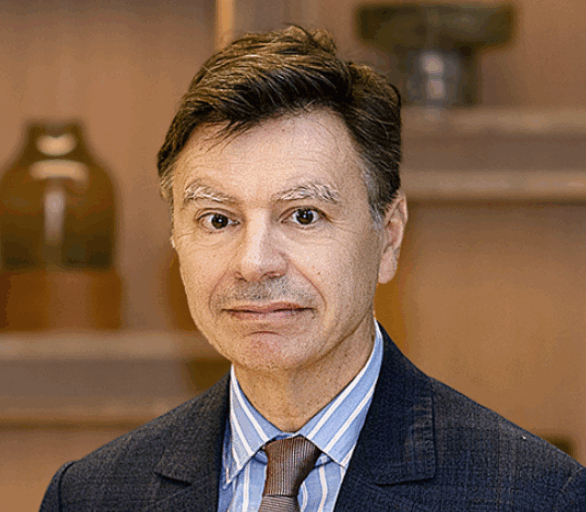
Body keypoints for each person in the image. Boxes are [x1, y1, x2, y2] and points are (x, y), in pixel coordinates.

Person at [40, 26, 585, 512]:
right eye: (218, 219)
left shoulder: (535, 496)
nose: (254, 264)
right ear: (176, 240)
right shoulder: (89, 496)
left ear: (389, 235)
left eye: (304, 215)